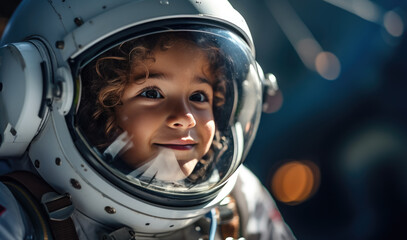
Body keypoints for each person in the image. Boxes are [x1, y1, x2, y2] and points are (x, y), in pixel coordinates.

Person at [0, 0, 296, 239]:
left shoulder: (238, 201)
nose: (185, 118)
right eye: (152, 93)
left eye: (199, 96)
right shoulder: (19, 218)